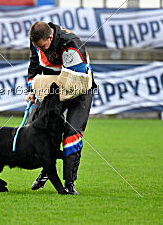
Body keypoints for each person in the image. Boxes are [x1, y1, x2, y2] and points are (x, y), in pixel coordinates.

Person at [26, 21, 96, 195]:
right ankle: (48, 170)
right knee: (34, 127)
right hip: (54, 85)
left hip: (78, 85)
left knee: (72, 133)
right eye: (38, 47)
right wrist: (32, 89)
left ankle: (69, 183)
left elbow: (71, 82)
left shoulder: (71, 44)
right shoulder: (36, 40)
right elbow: (34, 66)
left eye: (43, 47)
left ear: (50, 37)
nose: (41, 50)